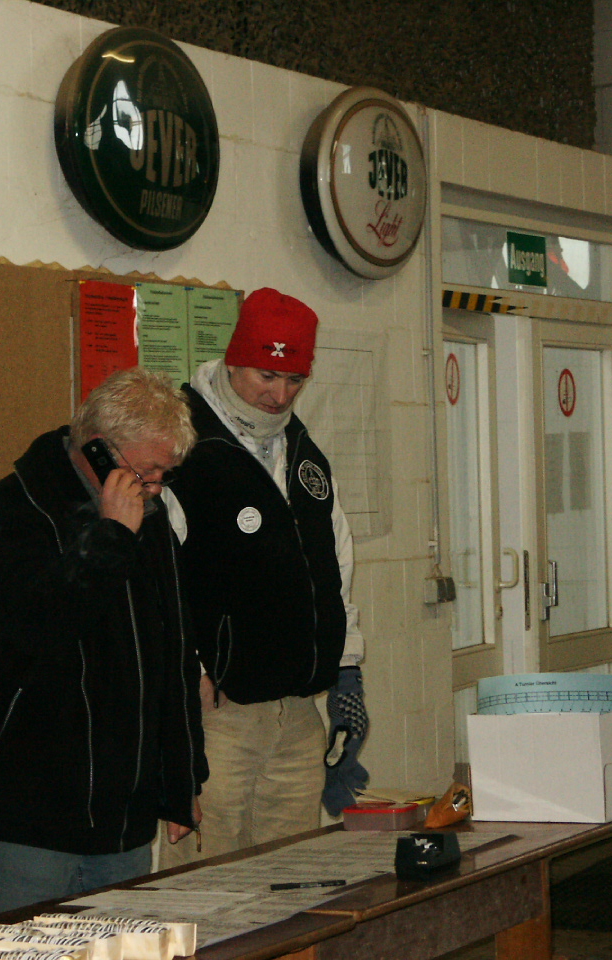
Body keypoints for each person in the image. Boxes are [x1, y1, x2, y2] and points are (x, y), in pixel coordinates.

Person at [0, 366, 206, 913]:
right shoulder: (14, 511)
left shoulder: (146, 516)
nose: (155, 489)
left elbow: (173, 655)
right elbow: (28, 638)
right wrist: (108, 538)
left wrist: (181, 780)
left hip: (124, 819)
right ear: (100, 449)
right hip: (32, 822)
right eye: (149, 471)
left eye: (165, 476)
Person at [158, 287, 367, 869]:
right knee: (205, 887)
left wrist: (346, 666)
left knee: (289, 881)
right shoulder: (183, 444)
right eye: (265, 376)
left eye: (295, 379)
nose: (279, 395)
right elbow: (156, 578)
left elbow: (336, 564)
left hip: (298, 713)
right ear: (232, 360)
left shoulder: (303, 453)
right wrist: (189, 672)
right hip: (218, 713)